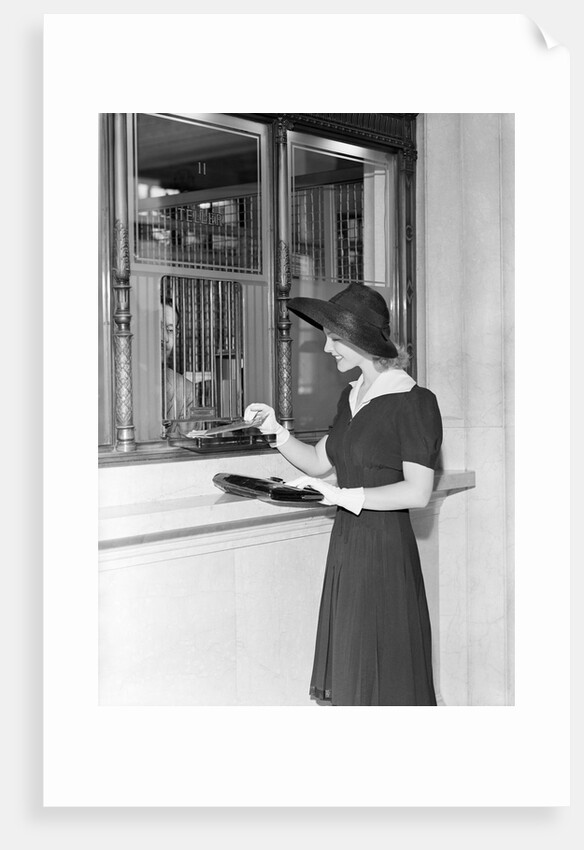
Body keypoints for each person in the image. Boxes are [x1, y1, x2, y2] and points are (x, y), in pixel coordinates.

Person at [244, 282, 442, 706]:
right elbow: (319, 462)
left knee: (384, 670)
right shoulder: (349, 397)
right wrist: (276, 431)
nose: (326, 347)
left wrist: (347, 496)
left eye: (334, 338)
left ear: (361, 340)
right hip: (348, 546)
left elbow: (419, 491)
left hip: (386, 549)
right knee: (354, 665)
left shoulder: (414, 402)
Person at [161, 297, 196, 420]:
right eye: (157, 327)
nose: (164, 338)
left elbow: (187, 438)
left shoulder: (185, 390)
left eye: (170, 330)